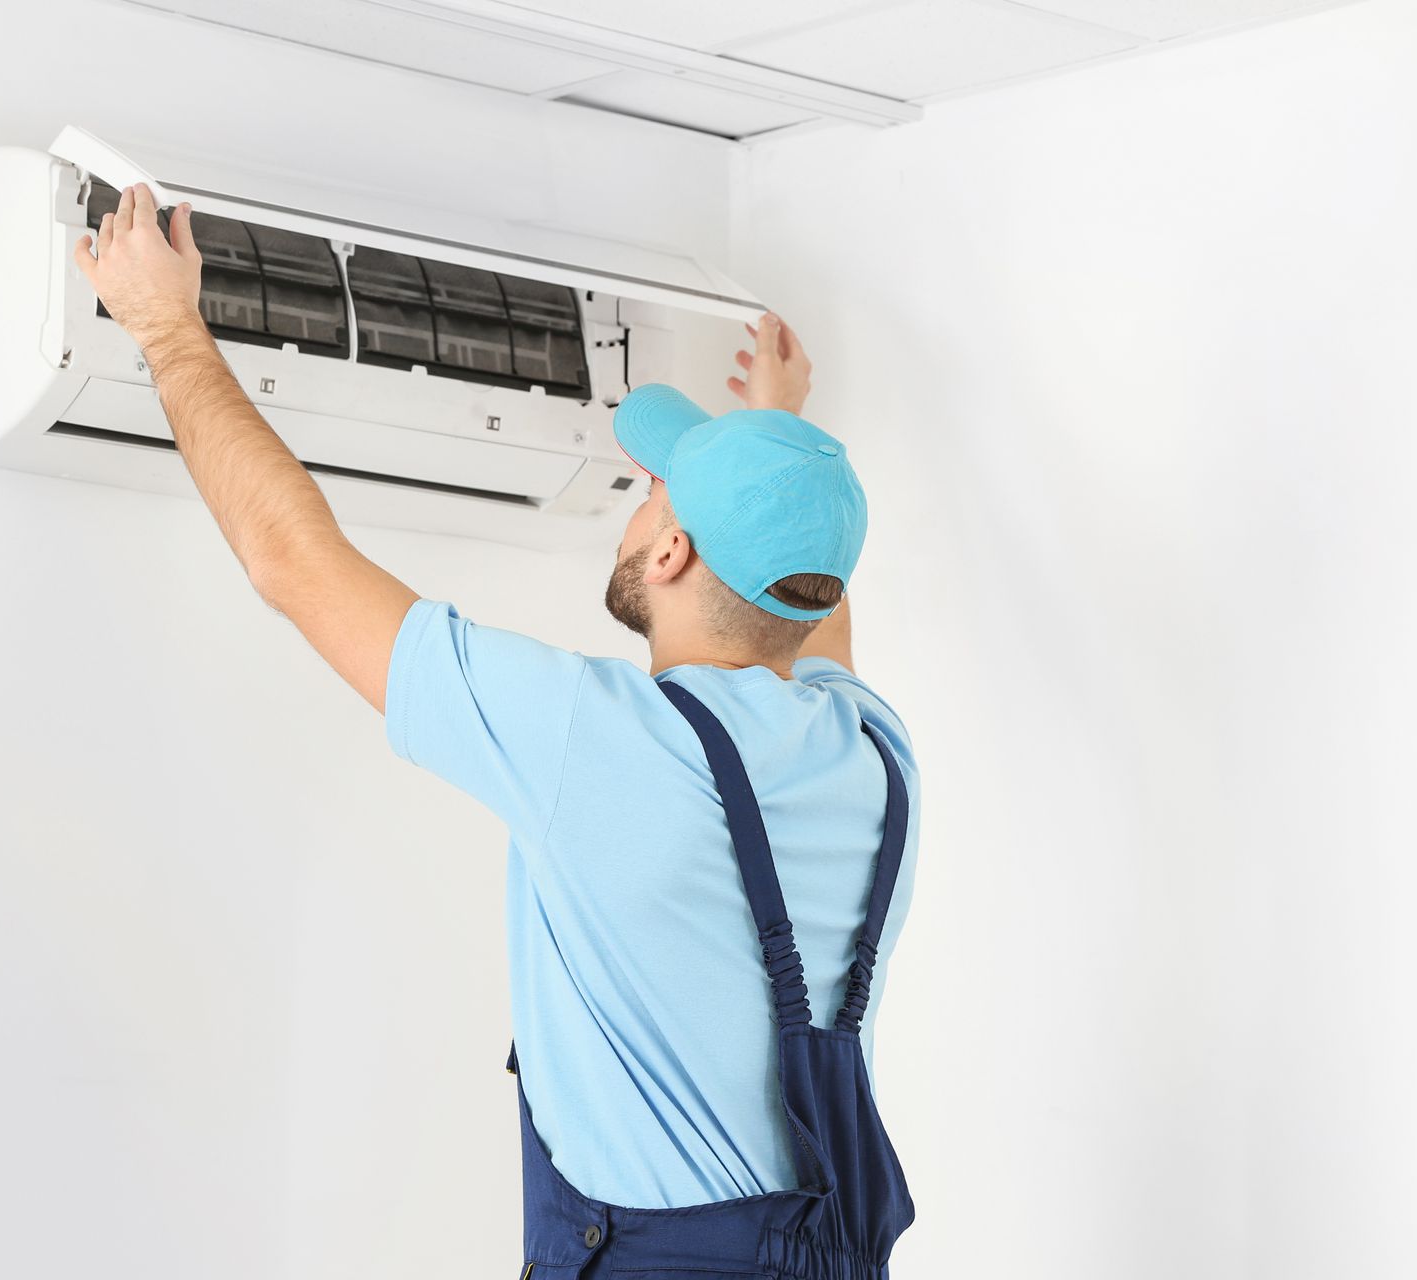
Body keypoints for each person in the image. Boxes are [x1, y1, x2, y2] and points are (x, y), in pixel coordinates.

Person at [75, 185, 921, 1277]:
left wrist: (164, 324)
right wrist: (778, 446)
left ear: (667, 555)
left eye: (653, 490)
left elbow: (291, 559)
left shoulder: (594, 739)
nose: (639, 501)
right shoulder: (872, 750)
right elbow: (808, 594)